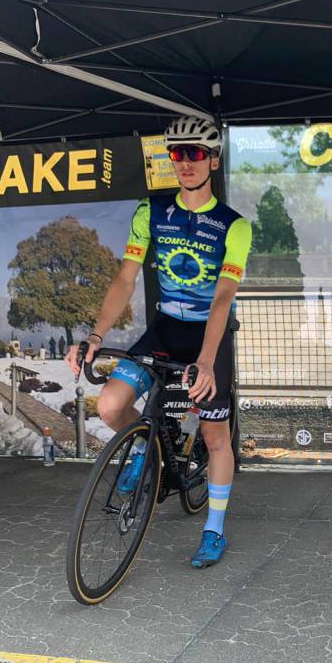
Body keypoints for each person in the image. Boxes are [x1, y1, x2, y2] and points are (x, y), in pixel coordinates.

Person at [66, 114, 251, 569]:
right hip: (165, 327)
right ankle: (149, 454)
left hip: (208, 334)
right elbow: (126, 278)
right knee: (110, 406)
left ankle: (214, 529)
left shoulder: (234, 226)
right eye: (177, 154)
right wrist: (95, 335)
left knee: (214, 435)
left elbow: (224, 296)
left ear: (212, 159)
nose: (184, 163)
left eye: (194, 154)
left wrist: (207, 362)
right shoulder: (152, 212)